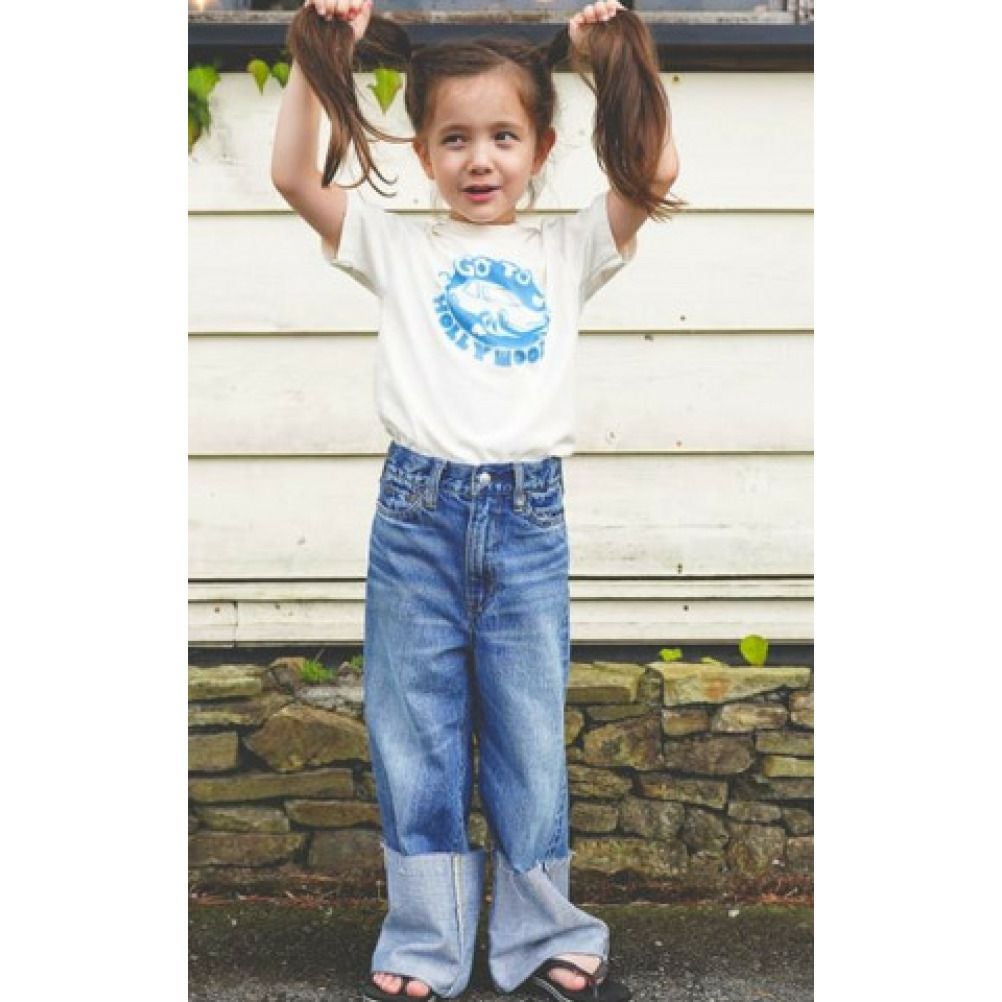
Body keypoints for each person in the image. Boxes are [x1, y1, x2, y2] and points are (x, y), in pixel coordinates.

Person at [271, 2, 681, 999]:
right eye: (454, 138)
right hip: (417, 518)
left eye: (503, 136)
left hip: (528, 524)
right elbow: (292, 176)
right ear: (422, 151)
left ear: (541, 147)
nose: (480, 158)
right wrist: (318, 53)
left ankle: (544, 932)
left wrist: (610, 56)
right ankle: (426, 940)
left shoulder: (568, 249)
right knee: (415, 735)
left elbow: (655, 172)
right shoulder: (394, 245)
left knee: (528, 737)